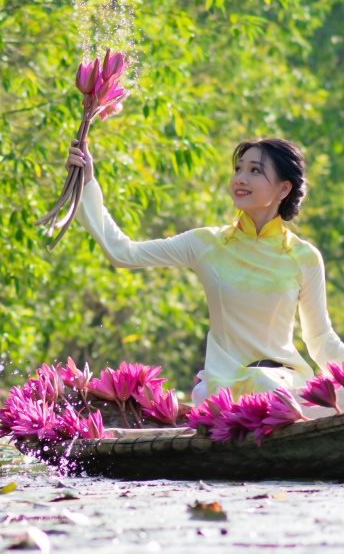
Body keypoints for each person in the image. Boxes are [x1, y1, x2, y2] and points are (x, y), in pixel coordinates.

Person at [66, 136, 344, 404]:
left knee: (323, 395)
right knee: (264, 386)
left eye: (255, 171)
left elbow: (319, 337)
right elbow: (123, 253)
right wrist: (87, 182)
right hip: (223, 387)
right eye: (238, 169)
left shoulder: (304, 257)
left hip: (283, 381)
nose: (240, 179)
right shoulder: (207, 244)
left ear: (283, 189)